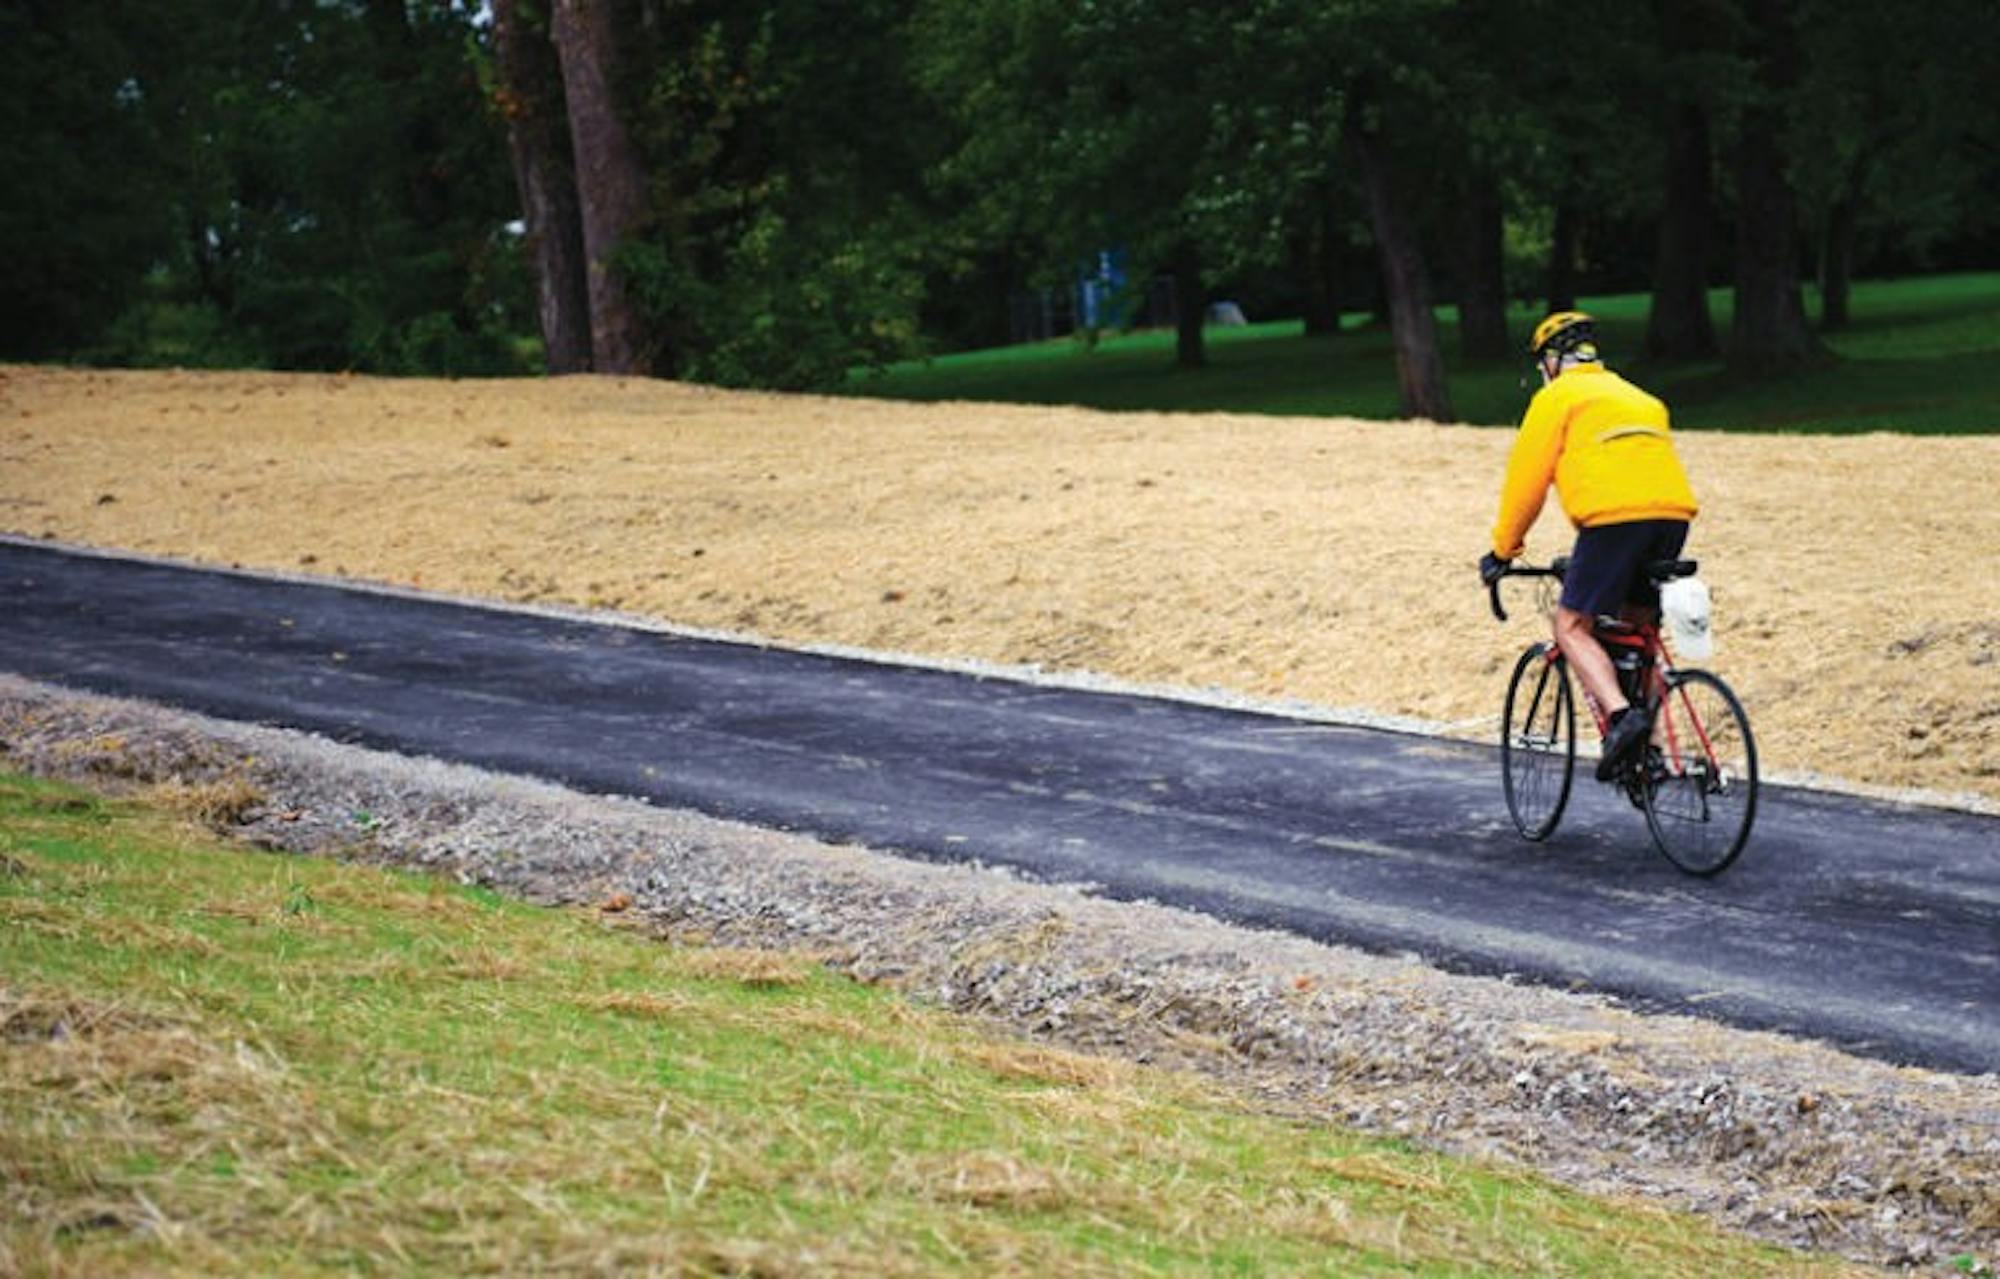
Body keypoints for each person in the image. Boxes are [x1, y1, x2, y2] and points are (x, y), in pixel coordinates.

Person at [1479, 311, 1698, 780]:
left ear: (1552, 361)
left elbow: (1526, 483)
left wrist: (1503, 551)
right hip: (1673, 516)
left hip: (1614, 521)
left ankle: (1621, 718)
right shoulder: (1639, 397)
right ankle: (1651, 754)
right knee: (1638, 632)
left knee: (1571, 626)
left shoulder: (1556, 398)